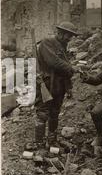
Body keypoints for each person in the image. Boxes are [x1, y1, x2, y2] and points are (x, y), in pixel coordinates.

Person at [26, 21, 78, 151]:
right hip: (47, 84)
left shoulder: (62, 46)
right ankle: (39, 143)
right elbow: (54, 62)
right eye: (68, 35)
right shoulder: (47, 43)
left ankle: (52, 140)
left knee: (55, 113)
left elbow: (64, 68)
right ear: (60, 33)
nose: (69, 38)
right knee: (43, 113)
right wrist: (71, 68)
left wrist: (69, 87)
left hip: (59, 86)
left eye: (71, 36)